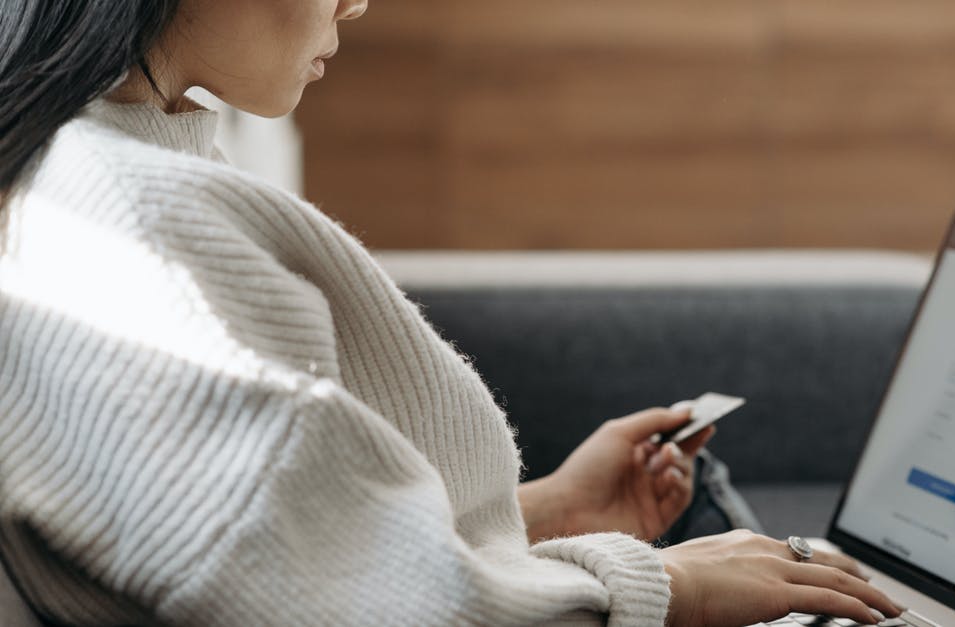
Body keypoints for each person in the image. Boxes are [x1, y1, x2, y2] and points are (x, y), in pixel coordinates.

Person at [0, 1, 904, 625]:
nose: (353, 6)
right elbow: (358, 607)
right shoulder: (128, 221)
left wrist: (543, 514)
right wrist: (667, 589)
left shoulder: (94, 168)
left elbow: (283, 549)